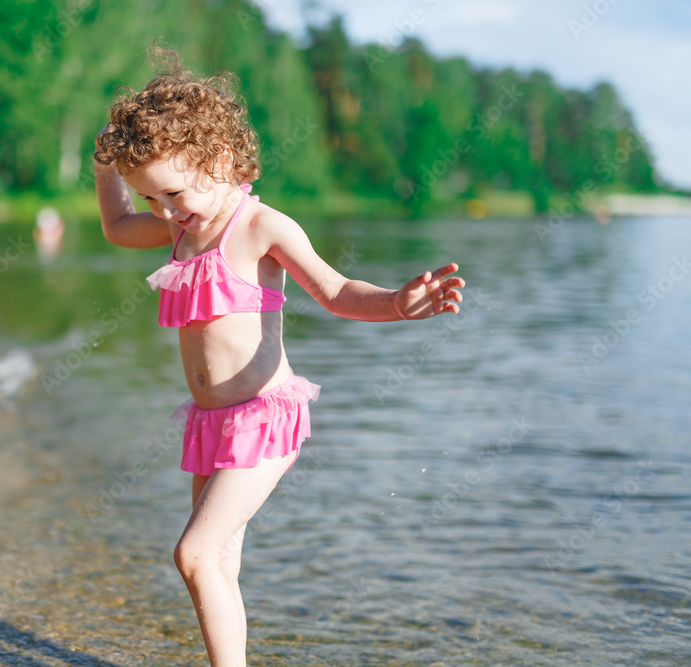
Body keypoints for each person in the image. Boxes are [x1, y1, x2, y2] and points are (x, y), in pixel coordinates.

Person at [93, 49, 465, 667]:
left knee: (193, 555)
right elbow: (116, 226)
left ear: (217, 160)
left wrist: (398, 303)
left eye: (172, 193)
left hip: (263, 420)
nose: (162, 211)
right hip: (211, 424)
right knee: (219, 561)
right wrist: (106, 162)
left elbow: (338, 292)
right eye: (150, 197)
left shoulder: (261, 226)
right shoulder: (182, 228)